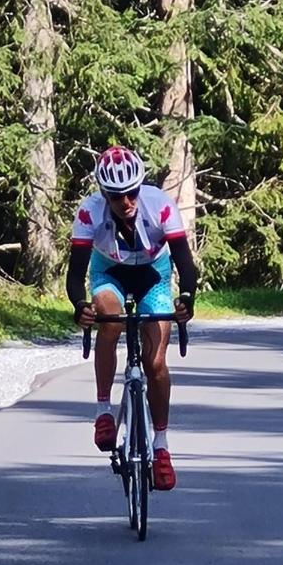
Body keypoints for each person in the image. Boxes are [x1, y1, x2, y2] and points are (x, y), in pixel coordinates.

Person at [66, 145, 197, 490]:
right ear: (104, 194)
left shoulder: (160, 205)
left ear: (141, 187)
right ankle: (103, 412)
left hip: (153, 273)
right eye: (116, 196)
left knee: (155, 363)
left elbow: (185, 263)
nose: (126, 202)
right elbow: (75, 273)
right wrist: (81, 306)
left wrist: (186, 299)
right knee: (109, 317)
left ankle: (162, 447)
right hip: (109, 271)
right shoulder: (89, 213)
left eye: (131, 192)